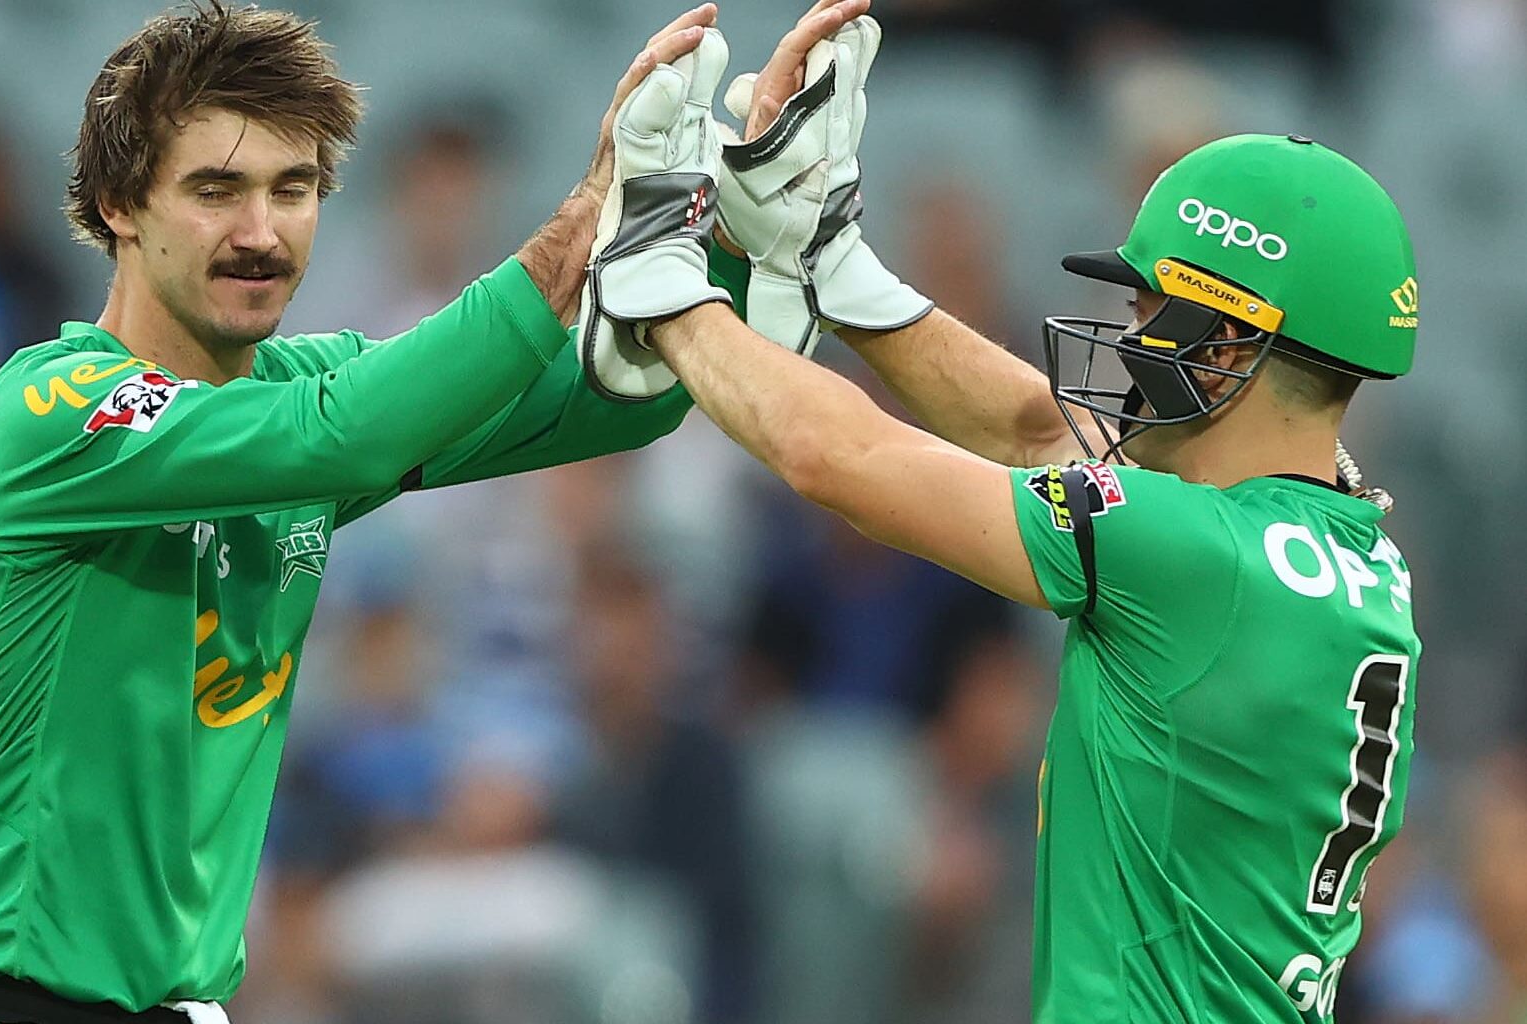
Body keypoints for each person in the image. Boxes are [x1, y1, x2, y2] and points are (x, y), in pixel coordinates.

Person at [0, 2, 867, 1021]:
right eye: (216, 190)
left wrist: (734, 243)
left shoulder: (305, 395)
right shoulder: (48, 412)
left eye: (292, 190)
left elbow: (614, 402)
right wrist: (584, 227)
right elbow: (346, 433)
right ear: (121, 203)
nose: (261, 234)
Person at [589, 13, 1420, 1022]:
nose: (1128, 339)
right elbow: (1037, 430)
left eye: (1153, 313)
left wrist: (661, 276)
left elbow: (841, 459)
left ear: (1229, 349)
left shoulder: (1189, 552)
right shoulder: (1349, 555)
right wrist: (834, 265)